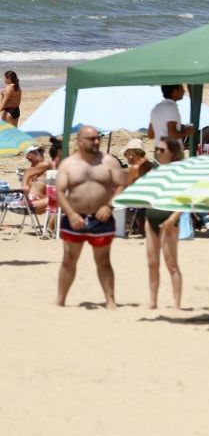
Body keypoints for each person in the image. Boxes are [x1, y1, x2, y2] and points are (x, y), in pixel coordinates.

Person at [57, 125, 124, 308]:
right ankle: (60, 300)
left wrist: (109, 206)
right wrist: (70, 213)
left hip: (101, 218)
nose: (96, 141)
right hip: (74, 218)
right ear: (79, 141)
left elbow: (120, 185)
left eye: (98, 138)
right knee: (69, 259)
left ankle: (110, 300)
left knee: (104, 261)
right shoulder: (68, 164)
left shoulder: (109, 162)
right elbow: (60, 191)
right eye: (91, 138)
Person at [142, 139, 184, 309]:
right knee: (152, 263)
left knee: (171, 263)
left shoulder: (179, 172)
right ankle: (153, 300)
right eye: (156, 149)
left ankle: (177, 304)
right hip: (151, 217)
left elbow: (185, 199)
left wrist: (172, 219)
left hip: (169, 219)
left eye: (161, 149)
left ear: (171, 153)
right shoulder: (154, 170)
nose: (157, 152)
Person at [149, 84, 191, 154]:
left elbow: (150, 134)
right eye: (181, 89)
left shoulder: (156, 108)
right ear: (174, 92)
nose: (184, 91)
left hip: (159, 152)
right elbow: (172, 135)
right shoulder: (171, 108)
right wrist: (186, 132)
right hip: (171, 153)